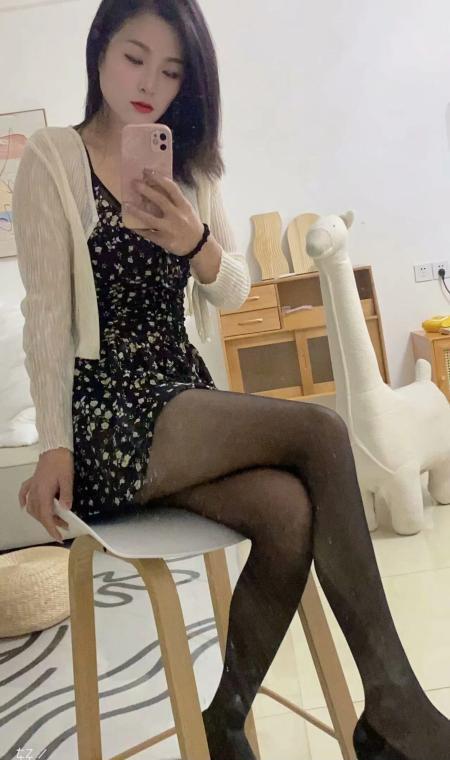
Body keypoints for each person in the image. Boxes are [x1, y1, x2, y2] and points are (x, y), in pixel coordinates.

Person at [13, 2, 449, 759]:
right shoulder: (53, 158)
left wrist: (198, 243)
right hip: (106, 412)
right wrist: (54, 444)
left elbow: (235, 290)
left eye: (172, 70)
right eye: (134, 58)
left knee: (286, 513)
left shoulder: (191, 169)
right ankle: (393, 701)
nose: (150, 84)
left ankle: (226, 717)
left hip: (179, 396)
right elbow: (46, 314)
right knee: (320, 429)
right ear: (99, 51)